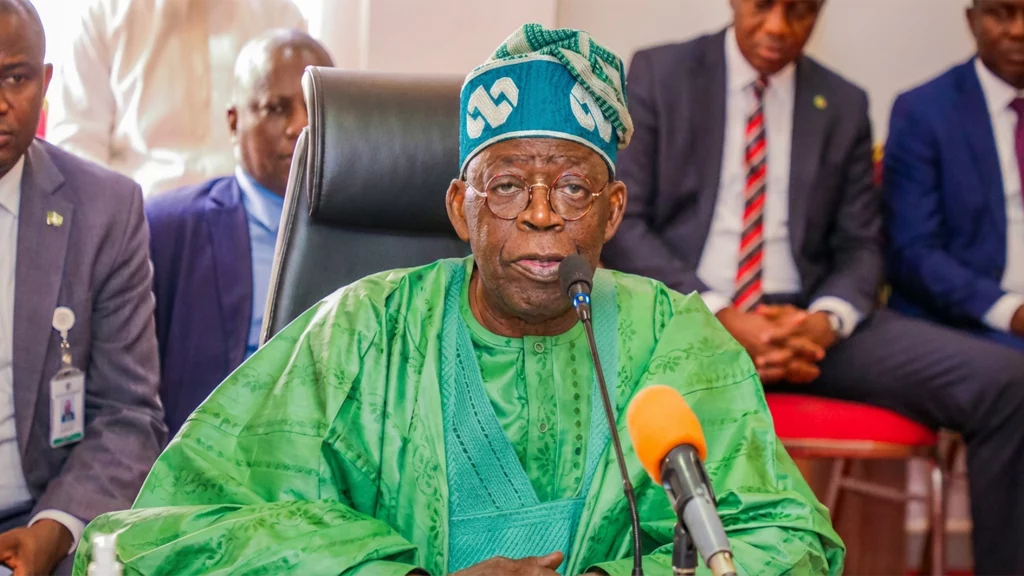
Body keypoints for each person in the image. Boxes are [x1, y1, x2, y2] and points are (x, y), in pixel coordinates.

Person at [73, 24, 844, 576]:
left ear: (612, 212)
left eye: (572, 188)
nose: (540, 214)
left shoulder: (676, 341)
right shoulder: (363, 331)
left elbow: (791, 541)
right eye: (506, 186)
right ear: (459, 209)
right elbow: (167, 531)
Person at [600, 1, 1024, 573]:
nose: (778, 27)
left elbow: (862, 245)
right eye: (763, 6)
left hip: (808, 327)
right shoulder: (659, 73)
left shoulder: (842, 101)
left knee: (1006, 383)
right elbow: (626, 221)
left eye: (799, 10)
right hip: (688, 312)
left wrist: (825, 320)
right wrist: (721, 316)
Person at [0, 2, 166, 575]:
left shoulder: (105, 212)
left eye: (15, 78)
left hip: (41, 519)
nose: (0, 102)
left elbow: (128, 414)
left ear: (45, 83)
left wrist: (54, 530)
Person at [146, 30, 333, 437]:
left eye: (316, 108)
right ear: (234, 123)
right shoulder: (164, 228)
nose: (301, 125)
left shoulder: (374, 229)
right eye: (276, 109)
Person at [46, 0, 308, 196]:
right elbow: (75, 149)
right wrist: (117, 226)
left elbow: (309, 143)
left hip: (251, 224)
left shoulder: (278, 16)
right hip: (140, 222)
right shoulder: (103, 16)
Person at [885, 0, 1024, 355]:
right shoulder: (924, 112)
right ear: (972, 19)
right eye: (1001, 13)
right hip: (967, 323)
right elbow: (913, 251)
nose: (1018, 30)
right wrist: (1011, 312)